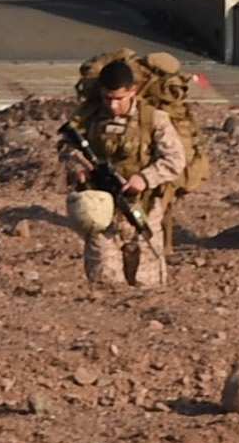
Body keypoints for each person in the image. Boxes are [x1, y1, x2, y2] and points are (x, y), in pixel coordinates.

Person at [61, 55, 193, 291]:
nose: (112, 106)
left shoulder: (153, 119)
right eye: (107, 98)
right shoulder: (87, 117)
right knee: (104, 282)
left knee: (147, 284)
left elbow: (175, 159)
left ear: (133, 91)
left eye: (119, 99)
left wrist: (144, 178)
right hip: (100, 211)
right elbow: (66, 146)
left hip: (141, 209)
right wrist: (78, 167)